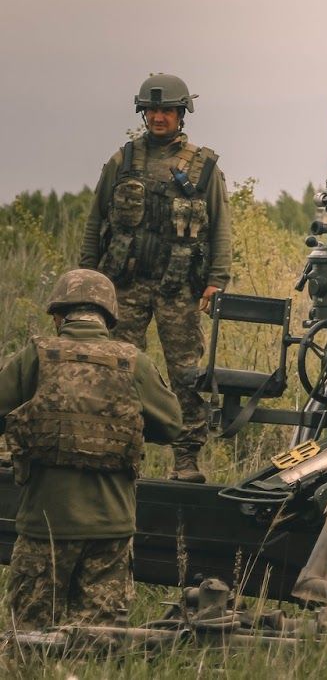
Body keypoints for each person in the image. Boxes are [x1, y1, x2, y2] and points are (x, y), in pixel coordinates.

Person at [0, 269, 183, 630]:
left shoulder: (35, 357)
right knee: (98, 644)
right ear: (108, 317)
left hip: (45, 526)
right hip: (110, 529)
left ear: (58, 315)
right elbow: (172, 425)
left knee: (27, 641)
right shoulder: (134, 362)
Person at [79, 73, 231, 483]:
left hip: (178, 288)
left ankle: (186, 459)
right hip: (123, 287)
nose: (159, 117)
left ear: (182, 114)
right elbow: (96, 220)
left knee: (186, 373)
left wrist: (217, 279)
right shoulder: (121, 162)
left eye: (166, 110)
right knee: (116, 368)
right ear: (142, 113)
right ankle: (118, 450)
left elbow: (219, 227)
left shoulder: (203, 167)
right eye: (152, 110)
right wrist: (88, 280)